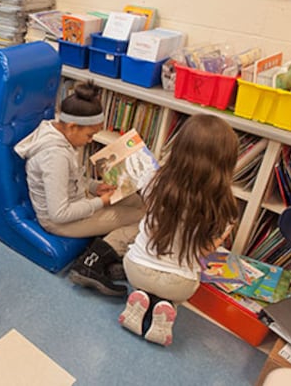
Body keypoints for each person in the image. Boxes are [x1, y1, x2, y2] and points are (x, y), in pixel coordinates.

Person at [14, 81, 147, 297]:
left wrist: (96, 186)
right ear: (72, 126)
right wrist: (100, 202)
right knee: (142, 217)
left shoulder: (60, 134)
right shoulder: (54, 155)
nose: (90, 141)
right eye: (89, 135)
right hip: (61, 221)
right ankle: (90, 263)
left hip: (78, 201)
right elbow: (59, 214)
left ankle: (111, 253)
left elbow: (72, 179)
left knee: (136, 202)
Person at [119, 114, 238, 347]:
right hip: (179, 284)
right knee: (183, 278)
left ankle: (141, 295)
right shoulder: (226, 207)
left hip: (136, 268)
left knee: (141, 260)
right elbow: (204, 251)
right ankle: (167, 306)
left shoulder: (154, 181)